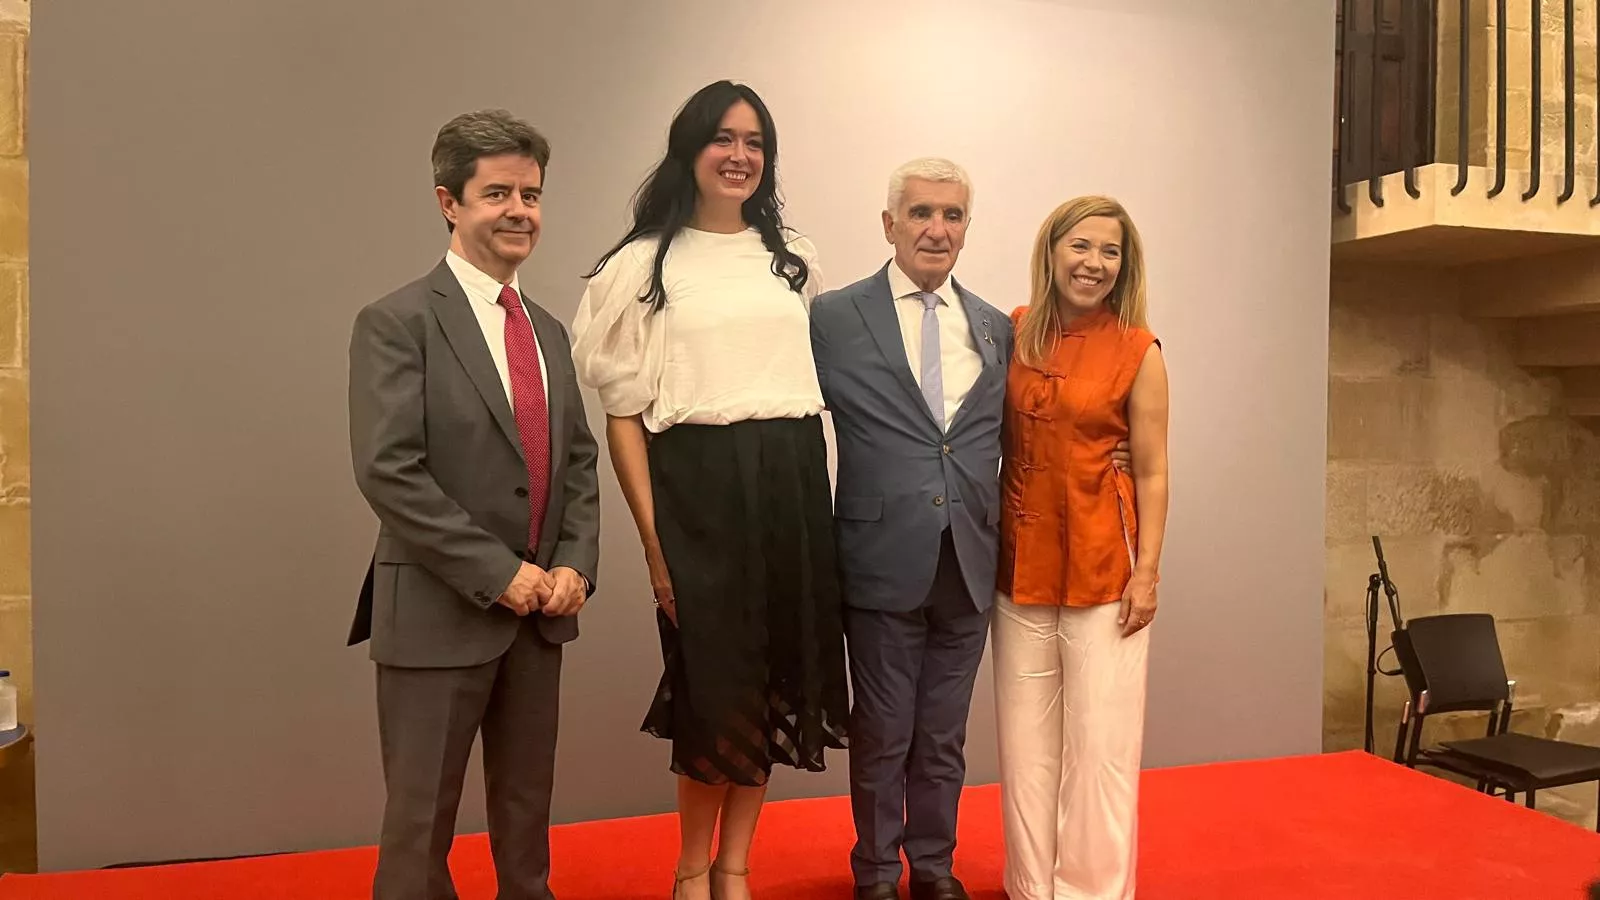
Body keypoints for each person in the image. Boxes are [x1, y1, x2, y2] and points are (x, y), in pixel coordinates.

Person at [570, 80, 849, 900]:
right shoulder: (641, 266)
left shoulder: (791, 258)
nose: (740, 156)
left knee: (769, 684)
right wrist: (656, 546)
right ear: (689, 151)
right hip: (698, 492)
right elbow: (624, 416)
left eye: (755, 142)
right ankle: (691, 873)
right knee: (714, 690)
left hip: (792, 481)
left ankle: (736, 872)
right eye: (723, 139)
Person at [346, 109, 600, 900]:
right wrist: (500, 573)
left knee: (527, 821)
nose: (520, 209)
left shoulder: (550, 331)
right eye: (498, 193)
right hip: (438, 613)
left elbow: (579, 464)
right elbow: (390, 470)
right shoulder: (397, 322)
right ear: (448, 202)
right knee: (420, 828)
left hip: (539, 620)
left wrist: (573, 566)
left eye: (531, 193)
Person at [809, 158, 1004, 900]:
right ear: (889, 224)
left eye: (952, 216)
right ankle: (877, 873)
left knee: (945, 737)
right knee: (884, 732)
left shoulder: (991, 324)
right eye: (921, 213)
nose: (937, 229)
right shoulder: (834, 316)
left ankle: (934, 866)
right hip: (880, 557)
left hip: (971, 559)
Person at [991, 195, 1170, 900]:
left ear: (1125, 265)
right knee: (1026, 753)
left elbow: (1152, 469)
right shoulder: (1012, 333)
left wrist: (1148, 571)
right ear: (1052, 249)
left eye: (1110, 251)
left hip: (1105, 568)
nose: (1094, 263)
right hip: (1019, 564)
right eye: (1082, 246)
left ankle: (1091, 893)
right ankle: (1031, 888)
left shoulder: (1139, 349)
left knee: (1099, 754)